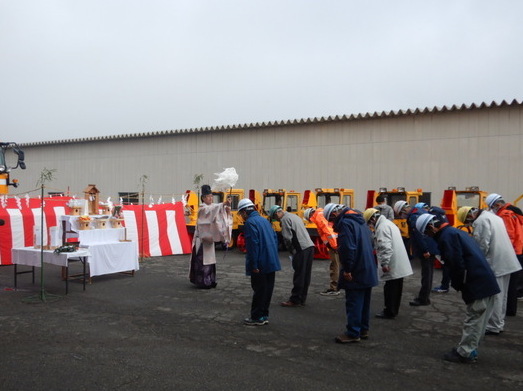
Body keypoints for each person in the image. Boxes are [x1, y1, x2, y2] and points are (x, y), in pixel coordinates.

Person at [416, 213, 500, 363]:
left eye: (427, 233)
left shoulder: (446, 237)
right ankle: (470, 349)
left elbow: (456, 264)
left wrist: (458, 284)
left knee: (474, 318)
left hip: (476, 282)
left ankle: (465, 353)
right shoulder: (456, 232)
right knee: (480, 320)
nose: (429, 237)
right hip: (486, 280)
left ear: (431, 227)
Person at [457, 206, 521, 335]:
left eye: (468, 222)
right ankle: (499, 323)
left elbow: (482, 245)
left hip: (497, 262)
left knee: (496, 296)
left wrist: (476, 263)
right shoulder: (493, 216)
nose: (470, 224)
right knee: (503, 296)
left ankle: (493, 326)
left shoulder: (481, 221)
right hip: (507, 260)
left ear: (469, 216)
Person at [324, 204, 378, 343]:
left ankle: (353, 332)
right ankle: (363, 329)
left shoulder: (345, 224)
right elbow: (372, 242)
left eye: (330, 220)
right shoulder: (360, 221)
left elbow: (348, 248)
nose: (332, 224)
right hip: (368, 266)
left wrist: (347, 269)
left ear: (334, 215)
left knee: (354, 301)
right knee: (364, 301)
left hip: (356, 269)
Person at [238, 199, 281, 326]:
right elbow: (275, 239)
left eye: (241, 214)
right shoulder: (264, 220)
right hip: (271, 261)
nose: (241, 216)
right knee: (267, 290)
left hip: (260, 263)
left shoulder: (250, 223)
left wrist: (254, 265)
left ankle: (256, 316)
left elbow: (253, 246)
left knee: (259, 290)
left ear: (245, 212)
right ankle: (264, 315)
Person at [363, 208, 413, 319]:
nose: (370, 225)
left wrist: (384, 264)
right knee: (397, 288)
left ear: (372, 219)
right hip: (398, 261)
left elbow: (385, 247)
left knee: (390, 289)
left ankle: (389, 311)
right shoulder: (389, 224)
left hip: (392, 263)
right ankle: (393, 310)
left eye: (370, 223)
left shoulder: (382, 227)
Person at [269, 205, 315, 307]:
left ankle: (294, 300)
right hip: (310, 246)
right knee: (306, 274)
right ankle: (302, 298)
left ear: (277, 213)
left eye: (274, 218)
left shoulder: (285, 219)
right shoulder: (294, 216)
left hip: (301, 248)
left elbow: (287, 238)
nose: (276, 220)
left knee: (299, 274)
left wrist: (292, 251)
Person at [486, 193, 523, 316]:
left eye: (492, 207)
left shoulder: (505, 214)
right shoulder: (515, 210)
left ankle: (509, 310)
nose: (492, 210)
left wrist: (504, 250)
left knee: (510, 284)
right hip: (519, 248)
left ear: (497, 204)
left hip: (512, 251)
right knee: (515, 281)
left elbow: (508, 235)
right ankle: (510, 309)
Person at [189, 184, 232, 289]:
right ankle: (203, 281)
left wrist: (227, 211)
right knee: (202, 262)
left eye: (212, 196)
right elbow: (211, 210)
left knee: (210, 261)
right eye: (208, 196)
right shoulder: (202, 208)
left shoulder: (212, 207)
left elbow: (217, 216)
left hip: (209, 238)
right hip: (202, 239)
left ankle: (210, 280)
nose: (211, 198)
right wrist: (223, 204)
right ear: (203, 198)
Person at [406, 202, 439, 306]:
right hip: (432, 247)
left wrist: (424, 250)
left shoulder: (414, 216)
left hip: (426, 249)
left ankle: (423, 298)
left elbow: (419, 234)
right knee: (429, 273)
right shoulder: (423, 213)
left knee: (426, 274)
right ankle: (425, 297)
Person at [304, 207, 340, 296]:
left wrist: (333, 246)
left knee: (335, 266)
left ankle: (334, 288)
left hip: (335, 245)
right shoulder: (322, 214)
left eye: (309, 220)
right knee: (340, 264)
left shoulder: (318, 216)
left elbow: (328, 232)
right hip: (337, 242)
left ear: (310, 215)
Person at [428, 206, 450, 294]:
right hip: (445, 239)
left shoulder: (434, 215)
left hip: (442, 242)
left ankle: (444, 286)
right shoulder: (442, 215)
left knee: (446, 265)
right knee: (447, 265)